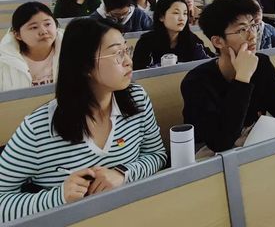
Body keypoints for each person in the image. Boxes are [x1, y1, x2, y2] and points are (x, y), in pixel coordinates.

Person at [0, 18, 167, 222]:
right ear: (85, 66)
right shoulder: (38, 128)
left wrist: (123, 174)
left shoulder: (136, 99)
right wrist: (59, 197)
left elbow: (156, 155)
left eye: (126, 50)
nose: (128, 61)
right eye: (117, 53)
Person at [180, 0, 275, 153]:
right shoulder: (196, 81)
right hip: (212, 155)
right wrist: (242, 78)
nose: (252, 35)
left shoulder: (261, 63)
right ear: (218, 41)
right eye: (242, 30)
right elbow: (220, 142)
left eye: (252, 26)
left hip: (254, 143)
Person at [132, 0, 210, 70]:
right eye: (176, 13)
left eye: (185, 13)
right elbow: (140, 73)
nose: (182, 18)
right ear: (161, 17)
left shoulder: (192, 39)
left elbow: (208, 62)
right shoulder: (146, 42)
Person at [0, 2, 63, 92]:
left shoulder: (72, 52)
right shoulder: (5, 63)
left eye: (47, 24)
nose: (43, 31)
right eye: (34, 27)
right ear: (17, 35)